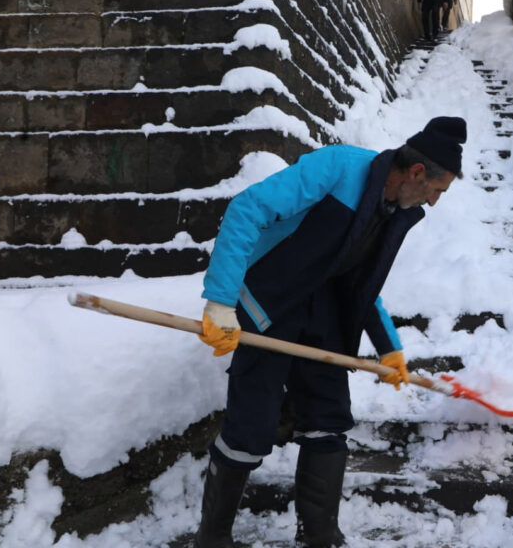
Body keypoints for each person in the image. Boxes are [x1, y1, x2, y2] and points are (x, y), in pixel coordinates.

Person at [192, 117, 467, 548]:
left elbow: (362, 285)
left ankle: (319, 535)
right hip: (272, 303)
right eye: (437, 190)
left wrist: (389, 349)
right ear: (416, 172)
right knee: (251, 425)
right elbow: (247, 209)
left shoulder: (393, 210)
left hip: (324, 314)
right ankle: (212, 538)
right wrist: (221, 301)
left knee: (328, 419)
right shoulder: (339, 167)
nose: (433, 202)